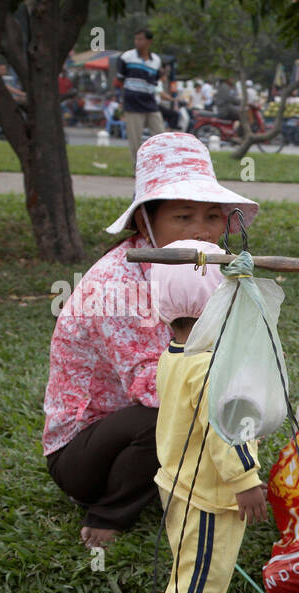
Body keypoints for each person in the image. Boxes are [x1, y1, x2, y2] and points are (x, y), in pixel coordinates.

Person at [43, 132, 259, 549]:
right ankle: (110, 510)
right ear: (146, 221)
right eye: (183, 218)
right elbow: (155, 388)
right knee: (174, 408)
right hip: (84, 452)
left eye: (213, 218)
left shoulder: (200, 269)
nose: (202, 231)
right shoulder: (117, 285)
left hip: (141, 424)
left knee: (206, 398)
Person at [148, 239, 268, 593]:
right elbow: (227, 430)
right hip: (208, 492)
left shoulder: (176, 356)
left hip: (180, 481)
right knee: (204, 568)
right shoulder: (210, 367)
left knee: (197, 565)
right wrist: (247, 481)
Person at [116, 28, 166, 163]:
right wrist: (120, 101)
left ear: (149, 41)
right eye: (136, 39)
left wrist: (162, 75)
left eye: (141, 39)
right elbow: (118, 81)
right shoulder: (127, 57)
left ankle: (159, 165)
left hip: (150, 103)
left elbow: (155, 81)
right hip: (132, 103)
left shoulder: (156, 60)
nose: (137, 42)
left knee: (160, 135)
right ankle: (137, 169)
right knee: (135, 140)